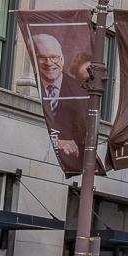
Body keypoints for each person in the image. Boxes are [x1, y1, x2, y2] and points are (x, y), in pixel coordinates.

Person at [32, 32, 89, 169]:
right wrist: (57, 141)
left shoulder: (81, 92)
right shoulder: (33, 84)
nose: (49, 63)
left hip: (70, 160)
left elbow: (82, 134)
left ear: (62, 60)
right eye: (42, 57)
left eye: (54, 57)